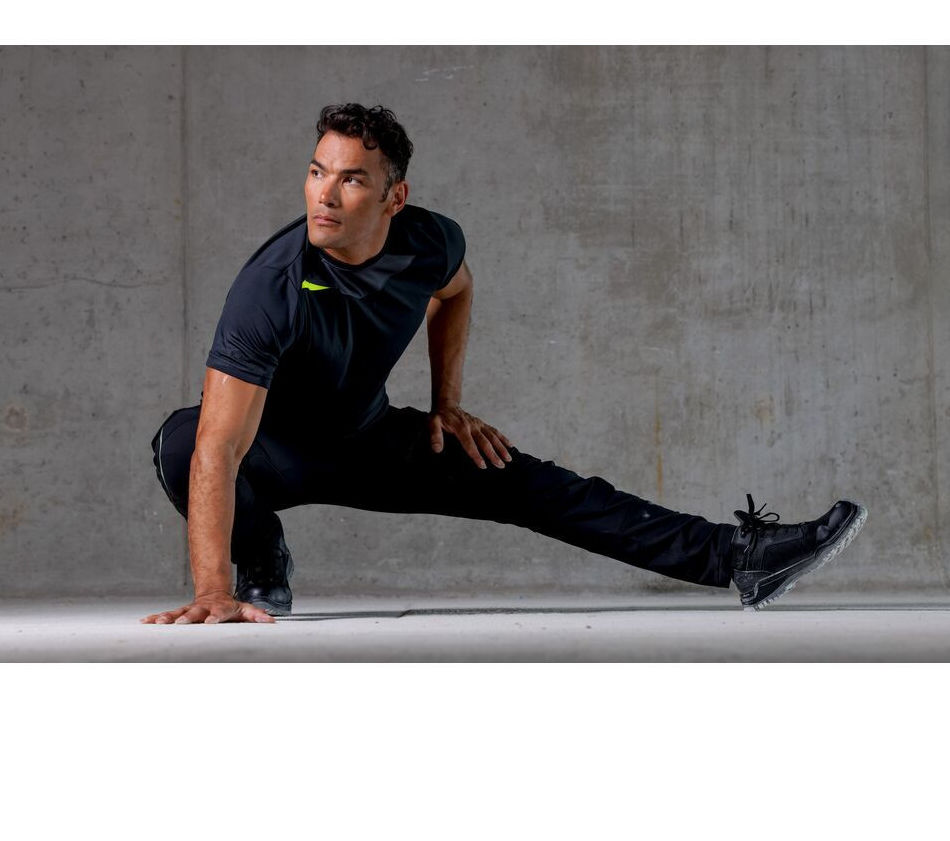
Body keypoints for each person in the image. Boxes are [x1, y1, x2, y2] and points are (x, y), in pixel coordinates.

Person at [142, 103, 867, 625]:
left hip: (369, 441)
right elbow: (219, 448)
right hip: (277, 452)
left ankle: (738, 558)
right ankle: (260, 556)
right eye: (316, 172)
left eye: (351, 179)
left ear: (395, 197)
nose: (324, 196)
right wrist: (212, 590)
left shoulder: (429, 242)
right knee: (182, 440)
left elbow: (455, 292)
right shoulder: (272, 288)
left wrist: (447, 404)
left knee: (539, 486)